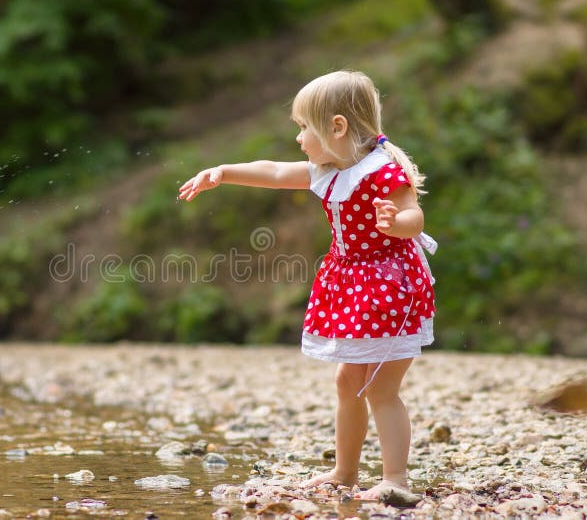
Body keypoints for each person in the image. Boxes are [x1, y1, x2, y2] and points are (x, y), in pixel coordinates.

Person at [177, 70, 436, 500]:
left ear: (337, 127)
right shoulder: (327, 170)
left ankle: (395, 479)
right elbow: (275, 171)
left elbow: (415, 217)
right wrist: (222, 171)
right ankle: (344, 471)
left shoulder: (381, 171)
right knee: (347, 382)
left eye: (303, 127)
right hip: (356, 284)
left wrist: (397, 222)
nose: (299, 138)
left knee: (380, 388)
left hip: (393, 286)